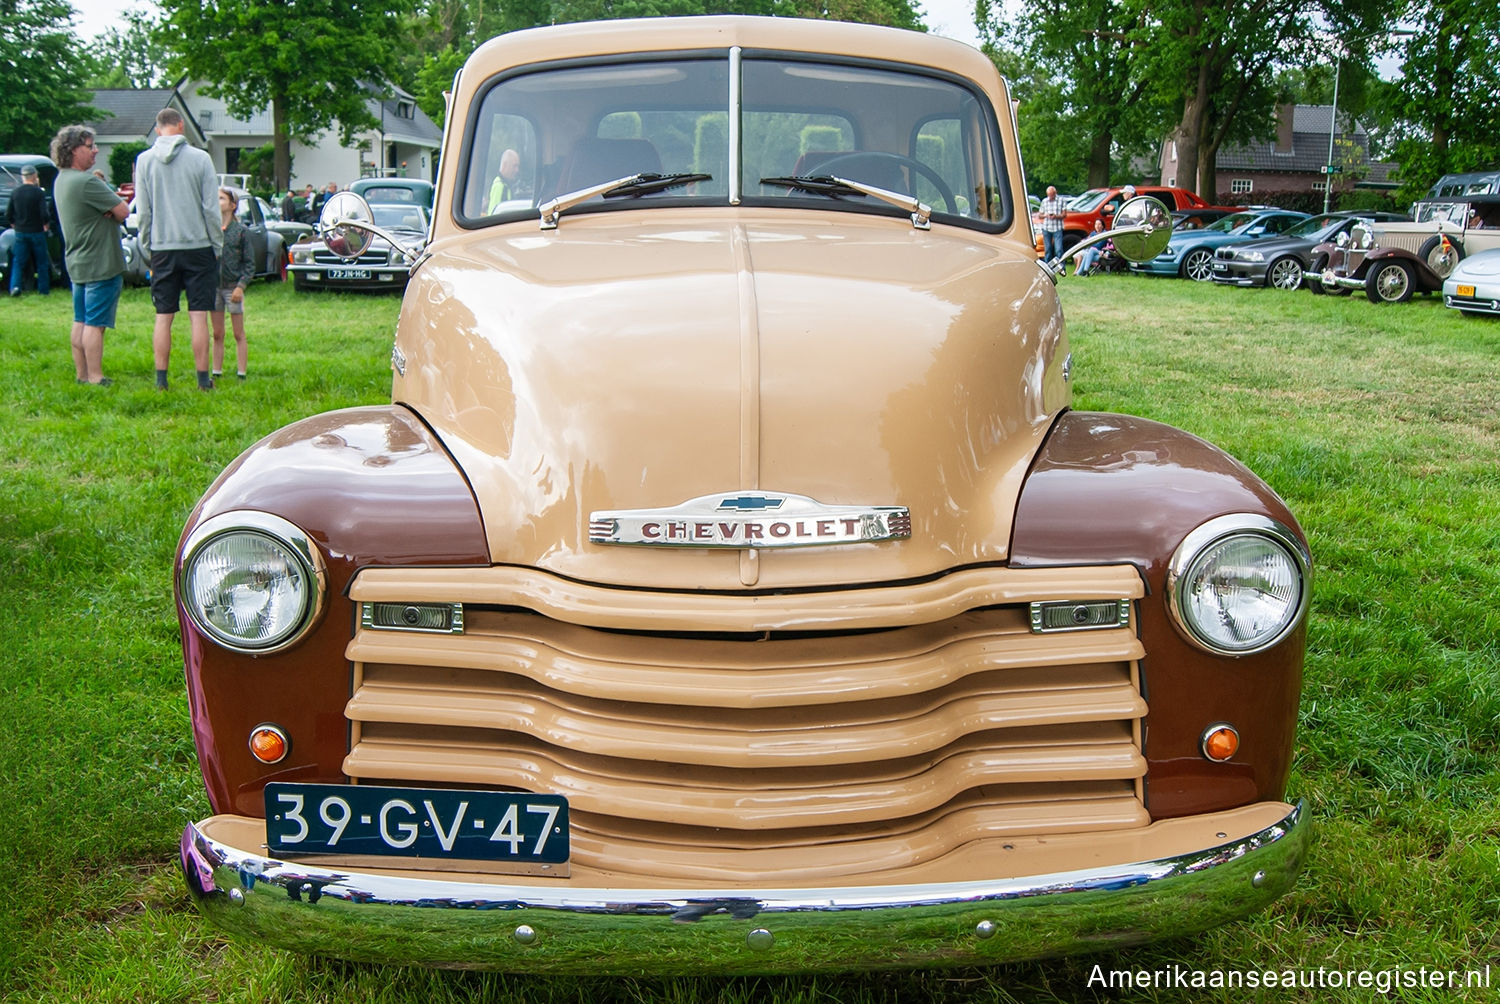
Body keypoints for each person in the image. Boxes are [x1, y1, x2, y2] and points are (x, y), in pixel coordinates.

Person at [135, 108, 222, 391]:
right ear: (181, 126)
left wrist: (147, 244)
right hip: (198, 245)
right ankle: (202, 381)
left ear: (158, 129)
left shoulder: (144, 161)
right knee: (199, 315)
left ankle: (161, 380)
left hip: (162, 246)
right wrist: (216, 244)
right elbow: (211, 208)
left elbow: (144, 212)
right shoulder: (201, 158)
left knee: (163, 315)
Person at [50, 125, 128, 386]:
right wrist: (111, 205)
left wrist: (108, 206)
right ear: (73, 150)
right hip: (100, 262)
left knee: (80, 320)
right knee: (95, 324)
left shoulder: (62, 179)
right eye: (90, 146)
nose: (95, 151)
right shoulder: (86, 181)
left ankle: (82, 374)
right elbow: (123, 211)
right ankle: (96, 376)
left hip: (77, 261)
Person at [210, 187, 253, 382]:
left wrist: (240, 286)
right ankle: (216, 371)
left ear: (232, 205)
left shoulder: (241, 232)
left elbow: (250, 264)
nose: (217, 202)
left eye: (221, 198)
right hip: (214, 288)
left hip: (232, 287)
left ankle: (241, 372)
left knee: (238, 332)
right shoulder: (212, 231)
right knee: (217, 332)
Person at [6, 163, 52, 297]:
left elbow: (9, 213)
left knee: (18, 261)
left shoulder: (15, 192)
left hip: (21, 232)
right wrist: (46, 223)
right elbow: (44, 213)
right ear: (34, 176)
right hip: (36, 231)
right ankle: (43, 290)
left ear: (23, 177)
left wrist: (14, 224)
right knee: (41, 262)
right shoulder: (38, 193)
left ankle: (15, 287)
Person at [1038, 185, 1067, 271]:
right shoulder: (1044, 201)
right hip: (1046, 227)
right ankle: (1047, 268)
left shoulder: (1061, 200)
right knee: (1048, 249)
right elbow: (1040, 215)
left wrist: (1056, 216)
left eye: (1052, 195)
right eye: (1049, 195)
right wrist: (1046, 215)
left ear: (1055, 193)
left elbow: (1064, 214)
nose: (1050, 197)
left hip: (1057, 227)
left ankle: (1061, 267)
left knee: (1058, 249)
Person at [486, 149, 521, 213]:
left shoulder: (505, 185)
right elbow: (495, 215)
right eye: (514, 166)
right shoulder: (500, 187)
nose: (517, 170)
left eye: (518, 166)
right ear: (505, 165)